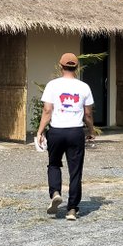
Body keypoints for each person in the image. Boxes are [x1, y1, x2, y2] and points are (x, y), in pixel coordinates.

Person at [35, 52, 95, 220]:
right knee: (75, 171)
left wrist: (40, 131)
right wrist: (91, 131)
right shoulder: (84, 87)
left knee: (54, 164)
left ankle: (55, 192)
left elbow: (47, 110)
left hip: (56, 131)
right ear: (76, 67)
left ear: (60, 66)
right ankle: (72, 210)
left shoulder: (52, 85)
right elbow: (88, 114)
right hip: (75, 132)